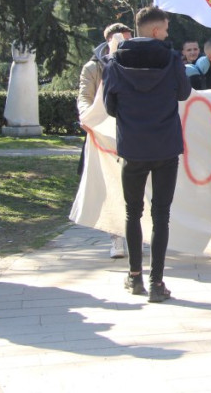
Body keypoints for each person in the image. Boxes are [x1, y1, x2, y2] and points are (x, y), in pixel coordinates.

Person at [102, 6, 191, 303]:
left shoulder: (115, 61)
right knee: (161, 214)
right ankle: (157, 283)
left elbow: (110, 107)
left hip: (132, 147)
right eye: (165, 28)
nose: (167, 33)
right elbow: (184, 93)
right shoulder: (172, 58)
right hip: (165, 144)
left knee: (133, 212)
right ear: (155, 30)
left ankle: (134, 276)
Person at [77, 22, 133, 259]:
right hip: (104, 135)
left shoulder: (136, 63)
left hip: (132, 133)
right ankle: (116, 238)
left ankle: (136, 235)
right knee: (111, 187)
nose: (125, 44)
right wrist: (87, 118)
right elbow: (85, 96)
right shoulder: (93, 68)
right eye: (121, 40)